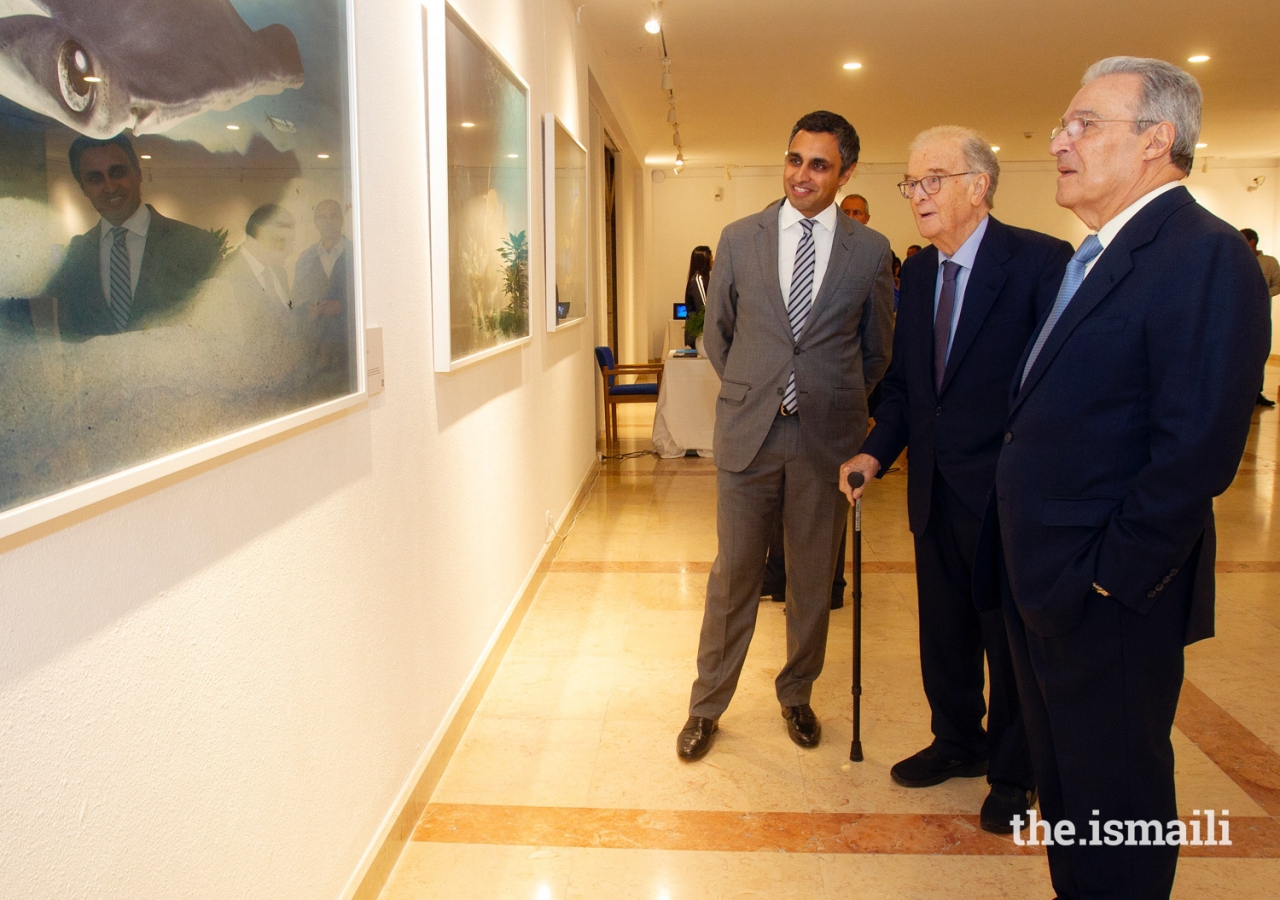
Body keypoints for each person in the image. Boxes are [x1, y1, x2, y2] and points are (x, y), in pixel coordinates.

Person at [975, 57, 1269, 898]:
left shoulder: (1202, 255)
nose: (1059, 142)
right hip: (1050, 587)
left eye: (1082, 125)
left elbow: (1196, 453)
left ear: (1156, 142)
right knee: (1072, 797)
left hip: (1110, 597)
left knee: (1118, 803)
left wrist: (1110, 582)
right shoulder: (1103, 254)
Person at [839, 125, 1072, 834]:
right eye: (911, 183)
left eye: (933, 179)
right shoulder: (920, 274)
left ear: (981, 185)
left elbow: (1057, 387)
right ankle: (956, 741)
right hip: (934, 491)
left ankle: (1012, 773)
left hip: (1007, 497)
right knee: (944, 634)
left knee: (1009, 645)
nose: (918, 195)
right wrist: (875, 452)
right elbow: (910, 388)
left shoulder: (1038, 262)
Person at [677, 110, 894, 761]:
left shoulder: (872, 251)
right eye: (795, 159)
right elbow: (717, 334)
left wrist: (831, 397)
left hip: (825, 443)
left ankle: (796, 693)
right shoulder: (741, 238)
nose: (803, 175)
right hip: (750, 435)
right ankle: (706, 704)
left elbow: (877, 351)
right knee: (733, 577)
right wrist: (758, 385)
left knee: (811, 582)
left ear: (845, 172)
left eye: (819, 164)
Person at [42, 134, 220, 338]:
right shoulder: (74, 257)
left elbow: (219, 333)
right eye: (95, 178)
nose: (110, 187)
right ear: (83, 188)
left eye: (117, 172)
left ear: (138, 172)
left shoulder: (196, 245)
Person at [1240, 228, 1279, 406]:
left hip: (1260, 316)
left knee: (1259, 351)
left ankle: (1257, 392)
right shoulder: (1237, 259)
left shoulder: (1269, 263)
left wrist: (1263, 294)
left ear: (1252, 242)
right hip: (1238, 316)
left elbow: (1278, 284)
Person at [292, 199, 354, 309]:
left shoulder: (355, 253)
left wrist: (342, 306)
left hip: (349, 326)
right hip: (316, 325)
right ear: (316, 223)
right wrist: (309, 310)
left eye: (333, 216)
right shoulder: (306, 258)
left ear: (342, 220)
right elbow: (296, 300)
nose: (328, 222)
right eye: (322, 218)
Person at [682, 245, 712, 348]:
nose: (713, 261)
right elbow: (704, 308)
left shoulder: (704, 279)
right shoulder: (698, 280)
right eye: (711, 258)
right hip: (698, 334)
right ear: (704, 261)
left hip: (701, 333)